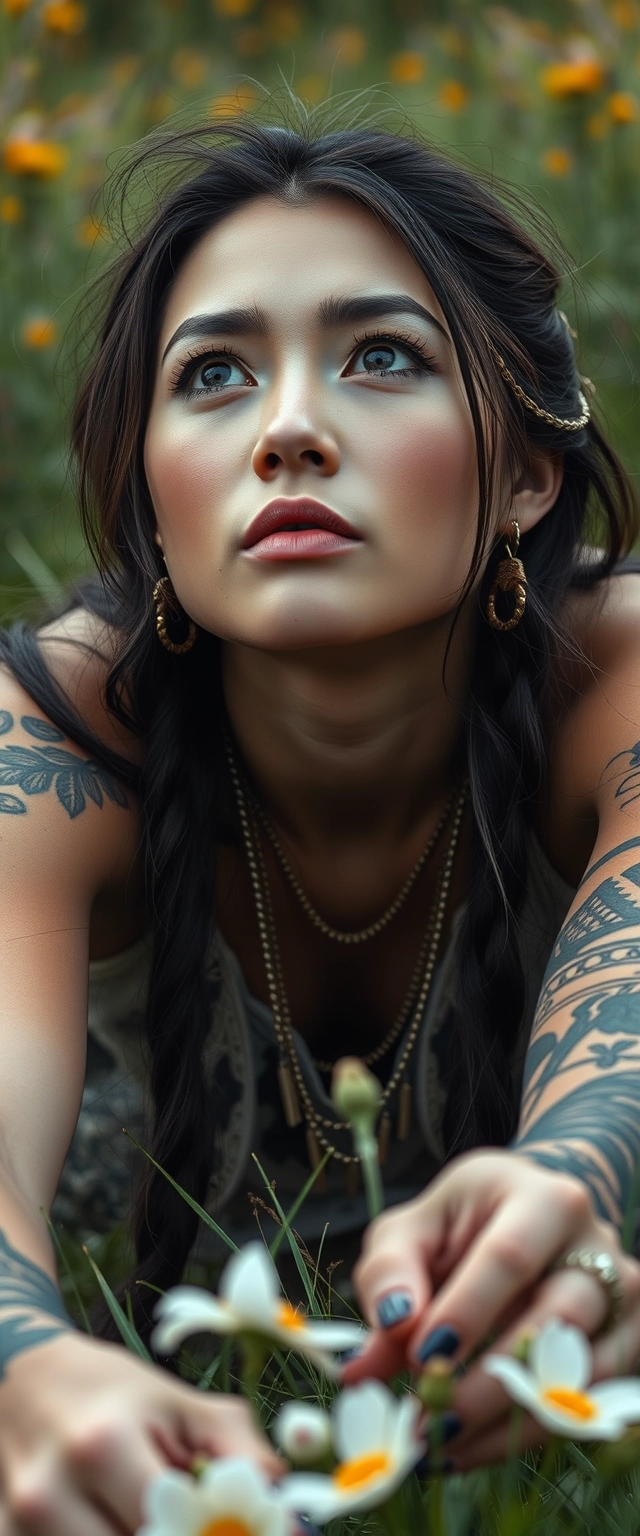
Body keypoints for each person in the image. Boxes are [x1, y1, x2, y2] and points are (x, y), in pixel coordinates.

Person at [1, 111, 640, 1529]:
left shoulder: (624, 679)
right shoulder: (47, 741)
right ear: (152, 505)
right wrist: (23, 1367)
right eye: (214, 374)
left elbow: (626, 1045)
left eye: (383, 357)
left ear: (528, 472)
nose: (290, 427)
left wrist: (570, 1197)